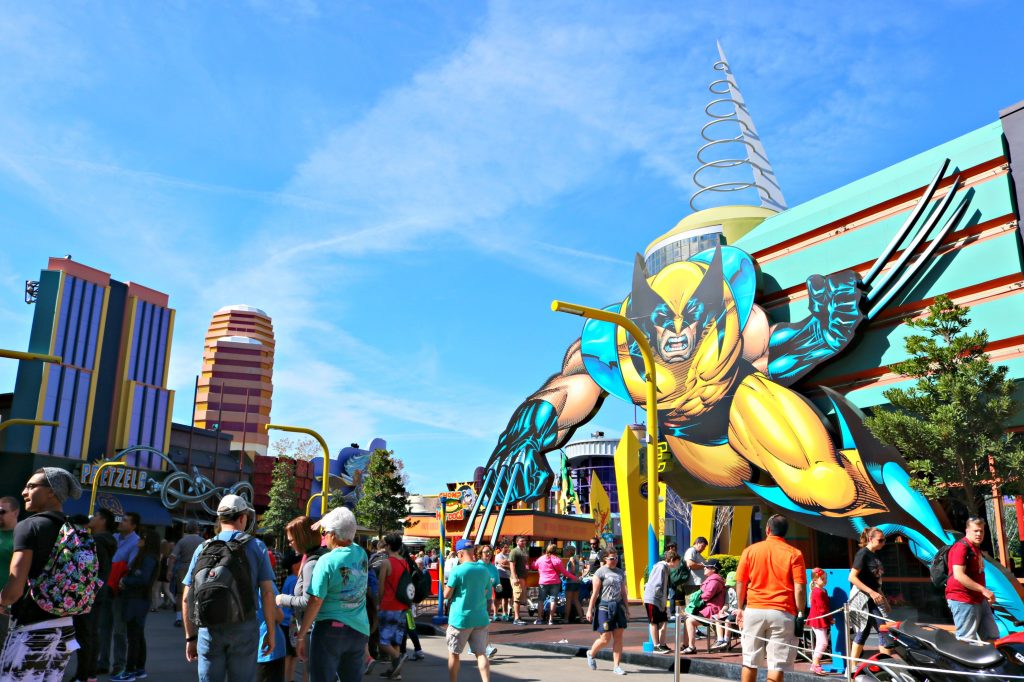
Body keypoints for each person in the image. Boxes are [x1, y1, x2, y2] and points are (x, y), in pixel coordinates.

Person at [0, 468, 89, 679]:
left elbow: (15, 588)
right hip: (65, 629)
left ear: (51, 491)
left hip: (31, 629)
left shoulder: (29, 526)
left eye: (31, 486)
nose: (24, 492)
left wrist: (3, 601)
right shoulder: (74, 528)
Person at [182, 494, 277, 681]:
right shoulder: (256, 547)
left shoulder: (203, 548)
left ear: (220, 518)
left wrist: (190, 638)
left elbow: (187, 597)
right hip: (244, 627)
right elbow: (267, 593)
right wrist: (271, 634)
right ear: (242, 518)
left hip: (209, 628)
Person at [295, 506, 369, 682]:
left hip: (330, 631)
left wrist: (301, 635)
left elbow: (315, 601)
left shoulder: (326, 561)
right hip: (358, 630)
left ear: (334, 534)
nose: (323, 536)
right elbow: (347, 528)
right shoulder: (361, 554)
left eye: (325, 532)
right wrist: (328, 522)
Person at [735, 514, 806, 682]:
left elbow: (740, 581)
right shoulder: (794, 553)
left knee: (749, 661)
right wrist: (801, 611)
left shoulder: (750, 550)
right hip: (782, 611)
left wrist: (739, 607)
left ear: (767, 530)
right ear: (785, 533)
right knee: (776, 664)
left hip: (753, 610)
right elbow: (800, 588)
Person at [276, 515, 325, 682]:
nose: (290, 544)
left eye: (291, 540)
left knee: (312, 673)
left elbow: (310, 600)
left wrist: (283, 599)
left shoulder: (311, 563)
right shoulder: (321, 557)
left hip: (314, 629)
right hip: (318, 628)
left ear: (301, 538)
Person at [73, 507, 117, 682]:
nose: (92, 517)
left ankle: (83, 674)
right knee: (91, 633)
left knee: (85, 634)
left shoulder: (96, 541)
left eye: (96, 516)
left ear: (103, 521)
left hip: (88, 591)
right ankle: (89, 673)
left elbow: (86, 566)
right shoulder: (107, 541)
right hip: (99, 591)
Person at [114, 527, 161, 681]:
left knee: (134, 636)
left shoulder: (147, 557)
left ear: (147, 541)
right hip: (139, 598)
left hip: (136, 598)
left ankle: (130, 670)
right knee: (138, 635)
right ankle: (139, 668)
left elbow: (143, 579)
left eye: (142, 538)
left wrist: (125, 580)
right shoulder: (149, 556)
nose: (139, 541)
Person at [444, 539, 491, 682]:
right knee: (481, 653)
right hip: (480, 617)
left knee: (454, 654)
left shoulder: (457, 570)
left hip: (461, 619)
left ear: (459, 553)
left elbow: (447, 594)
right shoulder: (484, 569)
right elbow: (487, 593)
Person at [100, 510, 141, 677]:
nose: (121, 522)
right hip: (106, 587)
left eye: (125, 521)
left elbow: (131, 567)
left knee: (118, 630)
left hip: (120, 591)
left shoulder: (136, 542)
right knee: (104, 627)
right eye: (121, 520)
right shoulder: (114, 537)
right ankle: (102, 662)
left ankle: (119, 664)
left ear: (133, 526)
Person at [946, 516, 998, 641]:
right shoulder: (961, 547)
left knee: (992, 635)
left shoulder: (976, 548)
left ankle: (993, 660)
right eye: (976, 531)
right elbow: (959, 575)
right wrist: (983, 590)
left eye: (981, 531)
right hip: (962, 599)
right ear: (967, 531)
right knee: (967, 639)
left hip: (979, 599)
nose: (979, 534)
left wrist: (983, 593)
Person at [848, 526, 892, 661]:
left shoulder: (874, 555)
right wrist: (871, 592)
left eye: (884, 540)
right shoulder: (863, 554)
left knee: (865, 631)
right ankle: (887, 666)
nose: (883, 543)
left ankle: (852, 668)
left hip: (874, 598)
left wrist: (884, 600)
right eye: (880, 540)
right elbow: (852, 577)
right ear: (870, 539)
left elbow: (876, 582)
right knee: (882, 630)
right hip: (863, 598)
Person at [585, 548, 629, 675]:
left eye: (616, 558)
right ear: (605, 559)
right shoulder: (600, 572)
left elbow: (623, 592)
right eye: (611, 558)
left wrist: (626, 609)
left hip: (618, 606)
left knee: (619, 637)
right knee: (605, 638)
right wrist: (589, 610)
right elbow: (595, 593)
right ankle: (591, 653)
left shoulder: (620, 572)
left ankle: (616, 666)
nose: (614, 560)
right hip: (604, 606)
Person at [376, 533, 411, 679]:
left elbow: (381, 586)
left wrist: (378, 602)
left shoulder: (386, 563)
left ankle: (398, 657)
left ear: (388, 546)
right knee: (395, 640)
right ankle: (396, 672)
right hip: (402, 606)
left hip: (389, 605)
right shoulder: (404, 562)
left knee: (383, 642)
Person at [683, 558, 726, 653]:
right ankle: (686, 645)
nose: (704, 568)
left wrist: (697, 596)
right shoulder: (712, 579)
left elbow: (707, 595)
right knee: (686, 619)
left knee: (690, 621)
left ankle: (691, 647)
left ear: (713, 569)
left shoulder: (715, 580)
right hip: (708, 608)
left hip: (712, 609)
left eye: (707, 567)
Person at [643, 549, 681, 654]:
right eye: (678, 561)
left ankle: (662, 644)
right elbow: (656, 585)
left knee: (664, 621)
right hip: (653, 599)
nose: (678, 564)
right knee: (654, 622)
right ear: (672, 559)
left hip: (660, 600)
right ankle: (656, 645)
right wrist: (660, 602)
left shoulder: (665, 568)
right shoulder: (661, 567)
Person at [170, 521, 205, 627]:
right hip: (199, 568)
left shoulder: (182, 541)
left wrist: (169, 570)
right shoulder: (203, 541)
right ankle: (196, 617)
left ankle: (179, 618)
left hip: (183, 569)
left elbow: (173, 556)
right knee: (198, 594)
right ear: (197, 529)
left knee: (180, 594)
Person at [535, 543, 577, 625]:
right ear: (556, 551)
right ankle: (550, 619)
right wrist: (575, 577)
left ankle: (539, 618)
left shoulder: (541, 558)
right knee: (553, 600)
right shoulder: (557, 560)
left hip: (543, 582)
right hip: (555, 582)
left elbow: (534, 566)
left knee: (541, 600)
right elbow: (564, 572)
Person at [0, 496, 20, 643]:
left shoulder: (21, 537)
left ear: (15, 512)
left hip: (5, 605)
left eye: (2, 511)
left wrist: (7, 601)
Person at [807, 568, 832, 676]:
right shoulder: (817, 592)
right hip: (818, 619)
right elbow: (822, 608)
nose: (825, 580)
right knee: (823, 642)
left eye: (825, 578)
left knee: (820, 642)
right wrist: (830, 618)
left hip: (821, 619)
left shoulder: (823, 590)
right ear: (815, 580)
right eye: (822, 579)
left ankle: (815, 664)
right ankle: (815, 664)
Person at [508, 536, 530, 625]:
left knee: (520, 597)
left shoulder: (524, 551)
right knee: (517, 597)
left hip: (523, 577)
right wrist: (514, 577)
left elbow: (525, 564)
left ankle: (518, 616)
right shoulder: (514, 551)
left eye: (524, 541)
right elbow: (512, 565)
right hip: (516, 577)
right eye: (521, 541)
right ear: (517, 542)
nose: (523, 542)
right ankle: (516, 618)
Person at [563, 545, 583, 623]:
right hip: (576, 582)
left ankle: (566, 619)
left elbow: (573, 570)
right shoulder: (577, 558)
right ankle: (581, 618)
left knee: (568, 601)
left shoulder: (571, 559)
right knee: (576, 600)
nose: (565, 552)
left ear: (570, 551)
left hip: (571, 582)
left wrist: (566, 575)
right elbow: (580, 570)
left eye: (566, 550)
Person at [494, 543, 512, 621]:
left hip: (507, 578)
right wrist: (508, 564)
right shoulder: (498, 555)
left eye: (507, 547)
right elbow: (502, 563)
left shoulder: (509, 555)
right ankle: (495, 614)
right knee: (498, 597)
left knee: (506, 597)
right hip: (499, 578)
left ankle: (505, 614)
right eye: (505, 547)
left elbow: (510, 565)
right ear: (501, 548)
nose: (506, 548)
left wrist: (506, 564)